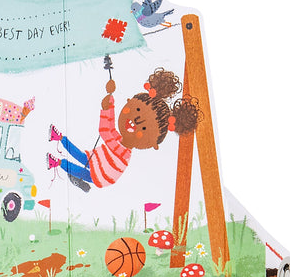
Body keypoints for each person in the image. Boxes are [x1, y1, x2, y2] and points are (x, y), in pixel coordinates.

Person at [47, 69, 201, 191]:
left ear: (152, 143)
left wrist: (107, 108)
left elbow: (104, 131)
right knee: (82, 158)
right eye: (137, 110)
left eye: (144, 127)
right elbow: (110, 128)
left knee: (82, 170)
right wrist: (110, 102)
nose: (135, 121)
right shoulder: (120, 141)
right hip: (100, 162)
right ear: (129, 102)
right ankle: (59, 139)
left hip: (103, 175)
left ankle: (58, 161)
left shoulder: (122, 150)